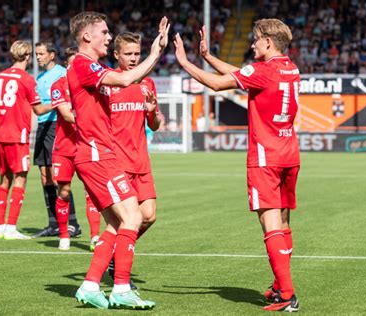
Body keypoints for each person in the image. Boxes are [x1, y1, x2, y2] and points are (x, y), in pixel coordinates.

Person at [174, 20, 300, 312]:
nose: (252, 44)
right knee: (282, 223)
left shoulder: (261, 71)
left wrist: (185, 62)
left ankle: (288, 294)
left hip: (265, 157)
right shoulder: (291, 68)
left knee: (269, 225)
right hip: (289, 153)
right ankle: (281, 284)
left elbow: (219, 84)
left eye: (256, 39)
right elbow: (241, 75)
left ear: (268, 42)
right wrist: (206, 57)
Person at [67, 12, 169, 310]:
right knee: (133, 218)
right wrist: (155, 53)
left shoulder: (90, 66)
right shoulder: (84, 64)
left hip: (101, 153)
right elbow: (125, 77)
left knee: (116, 225)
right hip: (99, 153)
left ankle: (89, 285)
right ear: (87, 36)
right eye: (104, 32)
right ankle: (122, 287)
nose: (109, 36)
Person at [104, 31, 162, 286]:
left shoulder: (147, 84)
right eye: (128, 54)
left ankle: (117, 253)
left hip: (141, 161)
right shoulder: (108, 82)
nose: (133, 58)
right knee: (121, 222)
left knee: (148, 216)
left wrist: (152, 113)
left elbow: (157, 124)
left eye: (137, 53)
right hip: (117, 162)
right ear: (116, 55)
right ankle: (118, 275)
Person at [0, 40, 53, 240]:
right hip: (16, 134)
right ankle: (11, 228)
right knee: (21, 178)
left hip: (0, 133)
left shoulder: (0, 77)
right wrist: (58, 103)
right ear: (27, 56)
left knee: (4, 178)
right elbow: (38, 109)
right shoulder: (26, 79)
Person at [50, 47, 101, 251]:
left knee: (92, 193)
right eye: (71, 63)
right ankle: (64, 235)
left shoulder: (89, 86)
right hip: (64, 148)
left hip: (86, 146)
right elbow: (67, 114)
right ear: (67, 65)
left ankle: (95, 236)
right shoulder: (58, 85)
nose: (75, 67)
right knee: (63, 191)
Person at [33, 41, 81, 238]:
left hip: (56, 126)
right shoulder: (40, 77)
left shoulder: (62, 73)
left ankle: (72, 223)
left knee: (58, 178)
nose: (38, 57)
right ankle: (53, 224)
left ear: (52, 55)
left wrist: (57, 105)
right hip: (42, 126)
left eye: (41, 53)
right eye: (36, 54)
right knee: (44, 176)